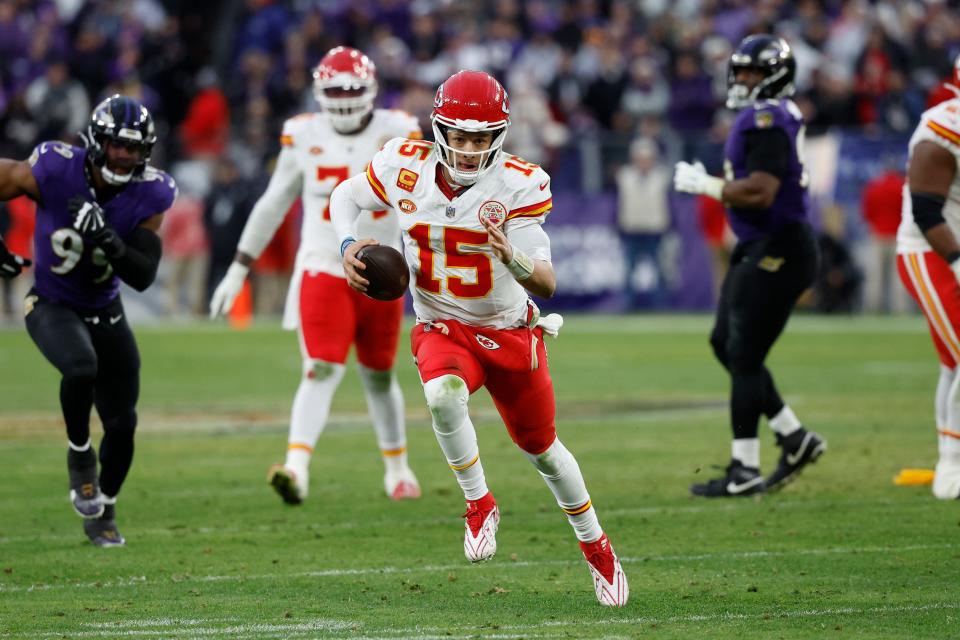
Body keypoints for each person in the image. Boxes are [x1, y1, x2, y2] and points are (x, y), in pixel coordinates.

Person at [331, 70, 629, 607]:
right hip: (442, 325)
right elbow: (343, 197)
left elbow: (547, 281)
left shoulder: (520, 183)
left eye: (481, 138)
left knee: (544, 451)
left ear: (500, 134)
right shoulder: (404, 164)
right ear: (440, 129)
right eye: (461, 137)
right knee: (442, 397)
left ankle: (596, 547)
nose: (470, 149)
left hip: (509, 331)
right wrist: (348, 245)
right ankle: (479, 501)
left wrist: (509, 255)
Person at [209, 46, 422, 505]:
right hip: (324, 264)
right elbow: (273, 201)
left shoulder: (400, 130)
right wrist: (238, 267)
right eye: (335, 89)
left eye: (352, 88)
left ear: (371, 90)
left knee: (380, 374)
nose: (344, 98)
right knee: (321, 367)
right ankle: (297, 467)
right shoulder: (304, 134)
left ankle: (398, 469)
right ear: (317, 92)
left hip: (381, 272)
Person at [0, 95, 176, 545]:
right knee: (80, 367)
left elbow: (142, 273)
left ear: (146, 152)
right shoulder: (55, 167)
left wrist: (106, 237)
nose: (123, 155)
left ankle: (106, 507)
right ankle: (80, 454)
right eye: (116, 144)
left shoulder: (151, 192)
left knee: (123, 424)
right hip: (51, 301)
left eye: (133, 149)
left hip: (106, 308)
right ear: (96, 141)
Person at [674, 35, 826, 497]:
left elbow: (762, 190)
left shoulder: (767, 118)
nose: (741, 80)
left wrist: (709, 185)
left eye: (750, 73)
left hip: (780, 244)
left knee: (743, 354)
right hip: (762, 242)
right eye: (738, 71)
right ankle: (793, 435)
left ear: (774, 76)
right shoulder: (769, 116)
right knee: (726, 343)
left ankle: (746, 468)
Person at [895, 53, 960, 500]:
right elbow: (925, 210)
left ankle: (950, 463)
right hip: (930, 251)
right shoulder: (945, 125)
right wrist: (957, 261)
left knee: (952, 362)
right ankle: (951, 466)